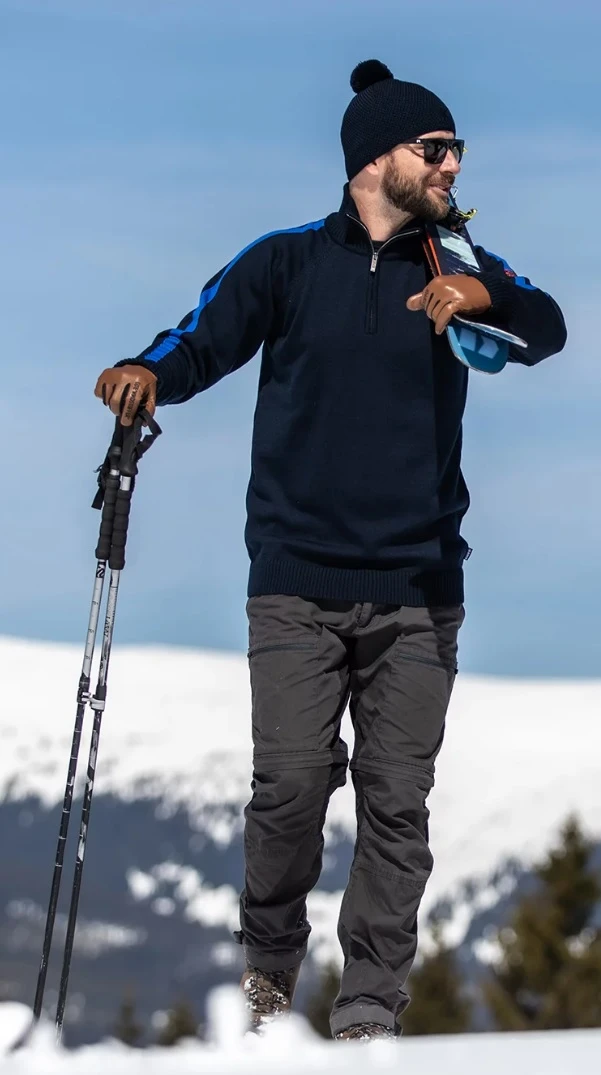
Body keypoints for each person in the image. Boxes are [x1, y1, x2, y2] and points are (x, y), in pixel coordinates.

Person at [94, 59, 567, 1041]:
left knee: (397, 807)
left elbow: (546, 325)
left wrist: (483, 297)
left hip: (419, 591)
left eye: (456, 150)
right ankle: (268, 985)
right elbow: (200, 338)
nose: (451, 165)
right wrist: (146, 370)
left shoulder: (459, 264)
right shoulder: (285, 262)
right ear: (374, 159)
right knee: (290, 788)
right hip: (294, 585)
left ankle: (366, 1015)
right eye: (434, 149)